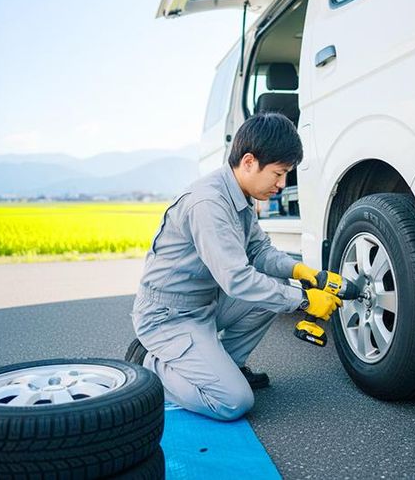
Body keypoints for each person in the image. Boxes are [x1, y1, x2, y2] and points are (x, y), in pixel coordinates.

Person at [125, 112, 342, 421]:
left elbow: (261, 253)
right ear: (250, 161)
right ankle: (150, 363)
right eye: (278, 173)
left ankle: (224, 367)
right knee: (233, 401)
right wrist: (305, 300)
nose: (282, 184)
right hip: (168, 317)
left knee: (275, 293)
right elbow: (237, 280)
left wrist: (301, 272)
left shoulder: (239, 196)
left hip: (205, 305)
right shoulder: (209, 203)